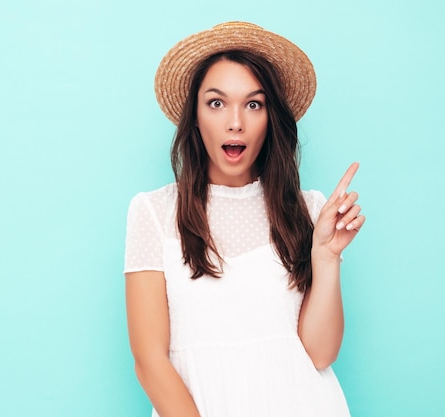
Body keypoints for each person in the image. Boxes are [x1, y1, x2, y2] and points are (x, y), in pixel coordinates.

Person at [123, 22, 365, 417]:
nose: (235, 121)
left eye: (254, 104)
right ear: (195, 116)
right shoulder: (153, 212)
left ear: (271, 118)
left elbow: (319, 355)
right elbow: (150, 360)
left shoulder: (309, 210)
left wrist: (326, 257)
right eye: (216, 103)